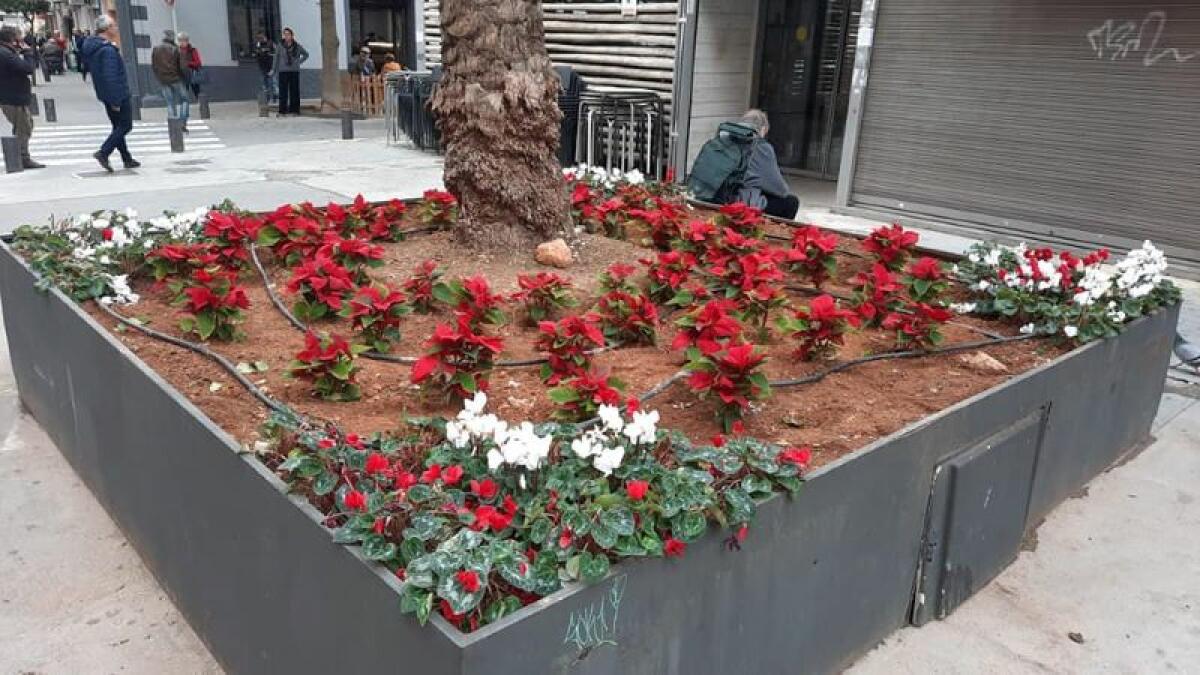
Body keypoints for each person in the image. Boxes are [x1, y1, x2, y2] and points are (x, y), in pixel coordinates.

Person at [81, 17, 139, 172]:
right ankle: (104, 152)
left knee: (117, 127)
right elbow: (111, 76)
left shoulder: (94, 46)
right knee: (125, 126)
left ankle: (126, 158)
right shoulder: (107, 51)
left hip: (106, 94)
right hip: (117, 94)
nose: (117, 28)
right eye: (114, 25)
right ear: (106, 29)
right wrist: (116, 100)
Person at [733, 109, 799, 220]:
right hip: (741, 203)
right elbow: (780, 189)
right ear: (763, 129)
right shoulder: (761, 147)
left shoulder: (725, 138)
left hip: (719, 197)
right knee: (790, 202)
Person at [0, 27, 44, 169]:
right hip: (13, 98)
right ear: (13, 39)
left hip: (12, 96)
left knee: (24, 126)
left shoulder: (6, 52)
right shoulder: (6, 54)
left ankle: (20, 156)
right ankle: (22, 158)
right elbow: (28, 68)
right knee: (23, 128)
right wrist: (28, 52)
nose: (21, 40)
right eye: (19, 37)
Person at [151, 30, 190, 132]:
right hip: (176, 79)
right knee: (184, 99)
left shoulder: (156, 49)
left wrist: (159, 77)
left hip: (163, 79)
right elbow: (182, 67)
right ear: (172, 38)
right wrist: (185, 78)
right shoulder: (175, 49)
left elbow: (154, 66)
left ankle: (173, 126)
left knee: (170, 102)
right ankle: (182, 123)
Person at [274, 27, 308, 116]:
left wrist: (298, 62)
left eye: (288, 34)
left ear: (292, 35)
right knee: (283, 92)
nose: (286, 36)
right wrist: (273, 69)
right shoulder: (280, 45)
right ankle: (282, 111)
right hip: (283, 71)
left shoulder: (297, 46)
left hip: (294, 71)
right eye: (285, 34)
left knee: (294, 91)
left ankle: (295, 110)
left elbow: (306, 54)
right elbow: (276, 58)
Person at [252, 30, 276, 103]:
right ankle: (267, 97)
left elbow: (276, 53)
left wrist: (269, 53)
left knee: (272, 82)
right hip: (262, 66)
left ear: (264, 37)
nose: (260, 39)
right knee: (264, 83)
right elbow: (254, 53)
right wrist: (256, 54)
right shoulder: (257, 44)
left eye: (261, 37)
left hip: (271, 66)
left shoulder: (271, 43)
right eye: (258, 38)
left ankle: (275, 97)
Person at [178, 32, 203, 99]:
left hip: (192, 74)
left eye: (184, 40)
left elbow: (198, 63)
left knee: (197, 93)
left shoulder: (192, 50)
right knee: (183, 95)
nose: (182, 42)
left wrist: (188, 63)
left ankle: (202, 106)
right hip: (182, 75)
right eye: (180, 40)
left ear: (187, 41)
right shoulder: (177, 51)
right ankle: (185, 109)